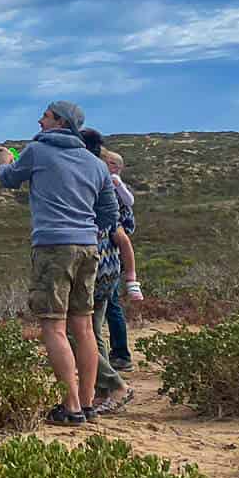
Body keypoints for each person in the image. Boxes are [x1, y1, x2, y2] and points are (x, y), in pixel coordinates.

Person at [0, 100, 119, 426]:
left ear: (61, 123)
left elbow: (9, 179)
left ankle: (72, 407)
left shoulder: (38, 152)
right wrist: (86, 225)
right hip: (88, 248)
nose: (39, 121)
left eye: (46, 116)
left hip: (53, 248)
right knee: (84, 325)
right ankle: (89, 402)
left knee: (54, 326)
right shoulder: (95, 164)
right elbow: (110, 213)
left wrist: (5, 161)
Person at [76, 130, 134, 414]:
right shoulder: (106, 179)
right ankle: (102, 389)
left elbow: (119, 229)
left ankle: (113, 384)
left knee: (77, 330)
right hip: (108, 266)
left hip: (95, 264)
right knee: (93, 329)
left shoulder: (93, 179)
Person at [100, 148, 141, 373]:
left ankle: (121, 353)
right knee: (109, 302)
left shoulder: (116, 186)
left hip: (113, 247)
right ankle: (116, 352)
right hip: (112, 244)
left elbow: (128, 202)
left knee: (111, 302)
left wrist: (117, 184)